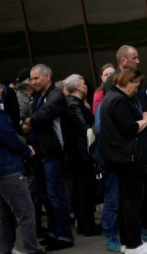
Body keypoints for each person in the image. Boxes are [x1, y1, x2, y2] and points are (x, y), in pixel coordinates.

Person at [99, 69, 147, 254]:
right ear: (127, 81)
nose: (137, 89)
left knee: (127, 201)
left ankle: (129, 242)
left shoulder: (112, 97)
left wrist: (142, 118)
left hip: (121, 158)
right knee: (131, 202)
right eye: (136, 85)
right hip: (128, 159)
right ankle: (134, 245)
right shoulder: (118, 100)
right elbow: (129, 128)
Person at [22, 64, 74, 251]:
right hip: (40, 153)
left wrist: (30, 122)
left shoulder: (55, 96)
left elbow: (41, 116)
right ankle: (54, 233)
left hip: (53, 153)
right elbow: (31, 117)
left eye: (36, 78)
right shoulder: (38, 96)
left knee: (55, 195)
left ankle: (63, 236)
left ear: (47, 77)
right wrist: (29, 122)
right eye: (31, 79)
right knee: (46, 196)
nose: (33, 82)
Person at [0, 83, 44, 254]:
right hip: (8, 167)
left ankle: (5, 249)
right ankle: (33, 250)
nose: (2, 90)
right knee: (25, 213)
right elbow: (8, 136)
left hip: (4, 168)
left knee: (5, 215)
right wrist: (26, 149)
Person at [61, 74, 99, 236]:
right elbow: (85, 128)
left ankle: (85, 224)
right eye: (83, 83)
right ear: (77, 87)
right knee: (84, 190)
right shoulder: (73, 104)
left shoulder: (73, 103)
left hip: (77, 154)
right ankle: (87, 225)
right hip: (81, 155)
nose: (86, 86)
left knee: (81, 190)